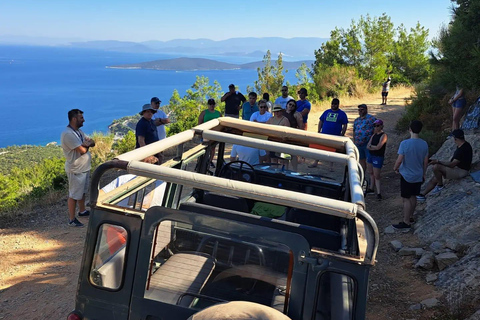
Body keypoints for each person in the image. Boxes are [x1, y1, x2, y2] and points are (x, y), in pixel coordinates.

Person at [60, 109, 96, 227]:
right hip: (75, 169)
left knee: (82, 192)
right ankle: (71, 219)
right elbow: (82, 150)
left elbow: (92, 142)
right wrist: (86, 145)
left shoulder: (78, 131)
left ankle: (82, 211)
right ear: (74, 119)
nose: (84, 120)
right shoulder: (68, 134)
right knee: (74, 195)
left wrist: (87, 144)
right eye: (81, 118)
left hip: (83, 168)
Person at [392, 120, 429, 231]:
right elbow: (425, 161)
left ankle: (406, 221)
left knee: (406, 199)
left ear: (410, 129)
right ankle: (411, 216)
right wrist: (424, 173)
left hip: (407, 175)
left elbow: (399, 160)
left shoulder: (405, 144)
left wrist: (395, 168)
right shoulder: (424, 144)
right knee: (413, 196)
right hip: (418, 174)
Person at [417, 129, 472, 201]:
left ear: (455, 138)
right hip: (458, 168)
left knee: (436, 167)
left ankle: (440, 185)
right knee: (436, 175)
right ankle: (422, 195)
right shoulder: (464, 145)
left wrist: (438, 161)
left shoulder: (462, 149)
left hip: (461, 171)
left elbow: (452, 164)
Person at [309, 98, 348, 168]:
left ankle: (331, 165)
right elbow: (321, 121)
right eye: (332, 104)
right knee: (320, 148)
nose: (333, 105)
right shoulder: (326, 112)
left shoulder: (342, 114)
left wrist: (342, 134)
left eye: (335, 104)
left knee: (332, 150)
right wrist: (319, 130)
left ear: (338, 105)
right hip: (324, 134)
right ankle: (315, 162)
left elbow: (345, 124)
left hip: (335, 135)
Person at [353, 104, 376, 180]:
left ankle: (372, 179)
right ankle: (362, 177)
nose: (360, 111)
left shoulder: (371, 119)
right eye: (359, 110)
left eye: (362, 110)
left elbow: (377, 128)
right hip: (358, 144)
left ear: (366, 109)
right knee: (361, 160)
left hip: (368, 144)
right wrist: (354, 141)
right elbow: (354, 131)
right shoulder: (356, 120)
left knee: (369, 161)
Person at [366, 119, 388, 200]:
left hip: (378, 157)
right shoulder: (374, 135)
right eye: (374, 126)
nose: (376, 127)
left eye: (377, 125)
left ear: (381, 126)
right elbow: (368, 145)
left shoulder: (384, 135)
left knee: (377, 175)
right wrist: (373, 148)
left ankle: (379, 193)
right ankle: (371, 188)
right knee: (370, 172)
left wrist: (372, 147)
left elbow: (379, 146)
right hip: (371, 156)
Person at [198, 99, 222, 168]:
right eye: (210, 104)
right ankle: (201, 161)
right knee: (204, 147)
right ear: (208, 105)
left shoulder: (218, 113)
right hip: (206, 133)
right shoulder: (204, 113)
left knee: (213, 148)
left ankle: (210, 161)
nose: (212, 105)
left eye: (213, 104)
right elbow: (200, 122)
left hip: (214, 133)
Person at [151, 97, 170, 164]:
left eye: (158, 103)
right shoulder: (151, 113)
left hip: (162, 138)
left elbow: (168, 120)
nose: (157, 104)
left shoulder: (161, 112)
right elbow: (154, 123)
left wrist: (159, 120)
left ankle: (160, 166)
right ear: (152, 104)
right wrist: (162, 121)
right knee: (156, 155)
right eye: (156, 103)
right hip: (154, 139)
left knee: (161, 155)